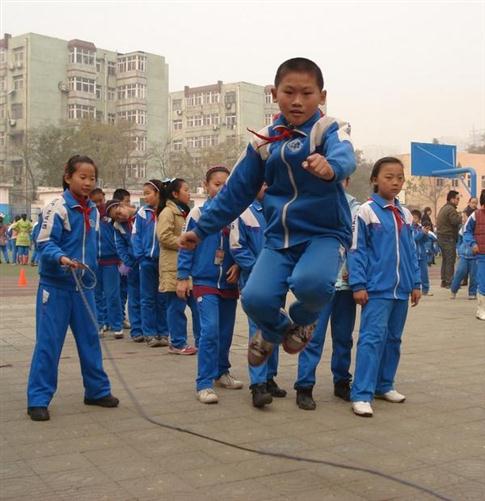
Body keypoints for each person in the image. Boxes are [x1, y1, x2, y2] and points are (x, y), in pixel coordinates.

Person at [179, 57, 355, 367]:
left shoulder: (329, 129)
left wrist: (331, 168)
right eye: (289, 92)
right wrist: (201, 228)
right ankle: (274, 331)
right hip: (279, 237)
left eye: (307, 93)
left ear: (322, 96)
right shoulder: (263, 141)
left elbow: (345, 155)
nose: (297, 101)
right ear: (274, 93)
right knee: (254, 299)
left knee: (311, 283)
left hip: (324, 233)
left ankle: (303, 319)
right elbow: (236, 191)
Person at [27, 155, 118, 421]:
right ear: (68, 177)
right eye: (83, 177)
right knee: (49, 343)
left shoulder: (92, 209)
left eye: (92, 178)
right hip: (55, 287)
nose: (88, 183)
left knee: (91, 340)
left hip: (84, 288)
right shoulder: (56, 206)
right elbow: (44, 242)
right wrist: (61, 258)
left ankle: (97, 391)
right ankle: (38, 398)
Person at [348, 157, 421, 417]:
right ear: (375, 180)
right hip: (376, 290)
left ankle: (384, 384)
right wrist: (358, 284)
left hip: (401, 290)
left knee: (393, 339)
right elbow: (357, 251)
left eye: (399, 177)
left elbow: (412, 252)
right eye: (389, 177)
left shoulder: (405, 214)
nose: (395, 182)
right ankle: (361, 394)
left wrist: (416, 283)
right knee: (371, 340)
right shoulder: (365, 211)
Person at [178, 166, 242, 404]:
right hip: (204, 281)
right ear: (206, 186)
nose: (221, 188)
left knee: (225, 332)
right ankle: (204, 382)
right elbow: (186, 246)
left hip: (228, 282)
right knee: (210, 331)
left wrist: (238, 265)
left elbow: (241, 244)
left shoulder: (236, 214)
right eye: (217, 184)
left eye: (226, 184)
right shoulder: (197, 214)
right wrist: (183, 277)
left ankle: (221, 371)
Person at [294, 177, 360, 410]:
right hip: (318, 286)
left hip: (345, 287)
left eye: (340, 179)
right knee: (312, 337)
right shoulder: (309, 208)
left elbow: (358, 245)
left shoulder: (356, 209)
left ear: (347, 182)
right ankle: (304, 386)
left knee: (343, 337)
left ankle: (342, 381)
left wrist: (354, 271)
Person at [230, 183, 287, 408]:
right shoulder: (243, 213)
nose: (266, 188)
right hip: (255, 283)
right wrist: (262, 270)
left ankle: (270, 377)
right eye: (262, 184)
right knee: (258, 331)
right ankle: (258, 384)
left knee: (275, 329)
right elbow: (237, 248)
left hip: (278, 282)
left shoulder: (280, 211)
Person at [157, 178, 199, 355]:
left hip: (186, 267)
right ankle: (177, 342)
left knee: (196, 305)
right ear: (175, 194)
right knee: (176, 306)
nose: (189, 193)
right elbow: (164, 236)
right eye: (186, 190)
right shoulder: (168, 212)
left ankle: (201, 340)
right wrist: (184, 242)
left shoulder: (184, 212)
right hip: (172, 267)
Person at [132, 179, 170, 347]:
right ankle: (149, 333)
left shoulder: (166, 211)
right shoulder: (142, 213)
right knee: (147, 298)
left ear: (158, 193)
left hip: (163, 262)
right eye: (144, 193)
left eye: (148, 193)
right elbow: (136, 236)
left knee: (163, 298)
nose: (145, 197)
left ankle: (164, 332)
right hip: (146, 262)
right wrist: (140, 257)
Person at [106, 199, 144, 342]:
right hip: (133, 265)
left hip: (148, 262)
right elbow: (120, 246)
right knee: (134, 298)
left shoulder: (143, 215)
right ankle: (137, 331)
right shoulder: (118, 226)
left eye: (118, 212)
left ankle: (151, 330)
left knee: (149, 297)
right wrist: (129, 262)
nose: (119, 217)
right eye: (115, 217)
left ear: (122, 205)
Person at [90, 189, 124, 339]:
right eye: (95, 201)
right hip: (94, 261)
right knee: (96, 295)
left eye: (100, 200)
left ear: (104, 198)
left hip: (111, 261)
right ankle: (99, 323)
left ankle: (117, 325)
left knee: (112, 295)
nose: (98, 204)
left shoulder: (111, 215)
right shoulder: (89, 214)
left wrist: (121, 256)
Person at [463, 189, 485, 320]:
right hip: (481, 254)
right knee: (483, 282)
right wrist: (472, 244)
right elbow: (466, 231)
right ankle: (481, 310)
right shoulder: (475, 215)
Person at [112, 188, 132, 329]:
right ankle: (118, 318)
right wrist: (124, 259)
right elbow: (119, 244)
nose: (129, 205)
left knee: (128, 292)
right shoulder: (115, 223)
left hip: (133, 262)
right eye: (126, 202)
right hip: (119, 262)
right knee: (118, 292)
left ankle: (122, 318)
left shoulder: (137, 217)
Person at [436, 190, 461, 288]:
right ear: (452, 199)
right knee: (450, 259)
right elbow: (455, 221)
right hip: (448, 237)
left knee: (446, 260)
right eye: (457, 199)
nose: (458, 201)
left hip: (442, 237)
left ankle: (444, 280)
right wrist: (461, 217)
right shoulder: (451, 209)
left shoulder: (444, 208)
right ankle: (449, 282)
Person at [450, 212, 477, 300]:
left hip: (474, 257)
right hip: (463, 256)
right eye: (462, 217)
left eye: (464, 217)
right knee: (459, 273)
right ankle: (453, 290)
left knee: (474, 276)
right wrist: (458, 249)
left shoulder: (476, 228)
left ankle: (472, 293)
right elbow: (459, 241)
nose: (462, 219)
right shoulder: (462, 229)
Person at [411, 209, 433, 296]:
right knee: (413, 273)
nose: (413, 219)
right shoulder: (409, 228)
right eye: (412, 217)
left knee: (424, 273)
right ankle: (413, 289)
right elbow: (414, 239)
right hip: (413, 255)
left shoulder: (420, 228)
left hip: (422, 254)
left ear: (419, 220)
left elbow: (425, 240)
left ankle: (425, 290)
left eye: (416, 218)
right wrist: (422, 233)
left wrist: (426, 233)